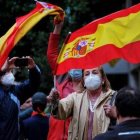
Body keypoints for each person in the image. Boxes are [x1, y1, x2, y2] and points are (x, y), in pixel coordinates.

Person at [49, 66, 117, 140]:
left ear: (103, 79)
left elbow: (127, 122)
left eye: (95, 73)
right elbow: (61, 110)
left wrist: (116, 115)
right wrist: (55, 102)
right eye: (87, 74)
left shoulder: (113, 97)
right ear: (83, 81)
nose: (91, 77)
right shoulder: (75, 98)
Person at [46, 19, 83, 140]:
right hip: (57, 134)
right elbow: (52, 54)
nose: (75, 65)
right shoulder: (62, 76)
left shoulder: (91, 83)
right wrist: (58, 28)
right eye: (72, 60)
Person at [0, 56, 41, 140]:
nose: (10, 74)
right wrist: (1, 71)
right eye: (6, 71)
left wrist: (33, 69)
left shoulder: (16, 91)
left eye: (10, 71)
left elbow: (33, 85)